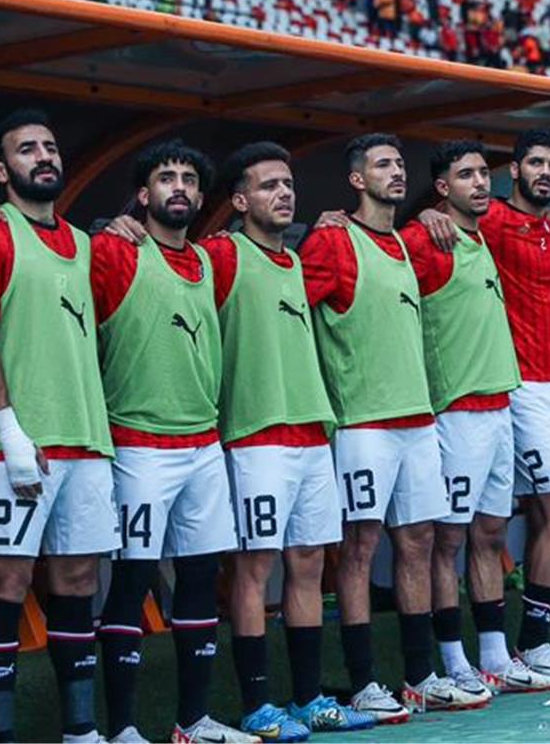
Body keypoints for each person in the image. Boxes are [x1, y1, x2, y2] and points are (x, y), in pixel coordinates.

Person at [301, 134, 477, 722]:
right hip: (363, 424)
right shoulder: (332, 239)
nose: (397, 172)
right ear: (357, 179)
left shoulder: (406, 241)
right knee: (358, 549)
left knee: (419, 543)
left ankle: (420, 678)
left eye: (400, 164)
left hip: (418, 420)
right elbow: (286, 308)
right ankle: (362, 684)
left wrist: (428, 217)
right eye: (382, 165)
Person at [0, 109, 116, 744]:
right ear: (2, 171)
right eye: (26, 149)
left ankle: (80, 730)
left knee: (79, 580)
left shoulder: (84, 243)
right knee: (8, 579)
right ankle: (1, 737)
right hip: (21, 447)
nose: (44, 156)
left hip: (88, 440)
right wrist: (10, 433)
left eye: (50, 146)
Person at [208, 143, 373, 737]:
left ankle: (308, 698)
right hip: (255, 436)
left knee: (308, 564)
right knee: (254, 568)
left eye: (288, 184)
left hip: (311, 432)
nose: (283, 194)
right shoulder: (221, 254)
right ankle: (257, 704)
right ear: (239, 200)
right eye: (268, 185)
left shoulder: (299, 263)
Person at [417, 130, 550, 684]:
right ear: (514, 172)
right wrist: (426, 213)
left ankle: (499, 656)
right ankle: (528, 643)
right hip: (511, 387)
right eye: (534, 163)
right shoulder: (488, 219)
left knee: (495, 529)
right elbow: (436, 221)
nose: (546, 173)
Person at [93, 140, 249, 743]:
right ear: (143, 193)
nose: (178, 186)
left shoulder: (210, 260)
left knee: (201, 578)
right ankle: (122, 730)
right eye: (166, 177)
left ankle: (193, 722)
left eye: (188, 178)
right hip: (139, 443)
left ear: (203, 197)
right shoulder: (116, 251)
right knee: (132, 583)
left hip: (203, 444)